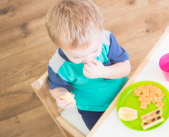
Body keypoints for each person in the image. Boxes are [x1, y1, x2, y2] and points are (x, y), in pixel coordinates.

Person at [45, 0, 131, 130]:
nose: (88, 59)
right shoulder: (58, 66)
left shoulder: (106, 40)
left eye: (95, 50)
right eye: (77, 57)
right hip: (93, 110)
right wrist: (61, 96)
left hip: (124, 92)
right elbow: (57, 88)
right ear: (60, 46)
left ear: (100, 32)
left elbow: (125, 68)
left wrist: (104, 72)